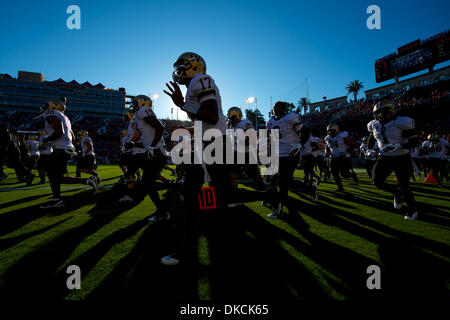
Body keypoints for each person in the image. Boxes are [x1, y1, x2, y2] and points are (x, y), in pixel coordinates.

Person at [39, 99, 99, 209]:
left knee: (54, 177)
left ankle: (57, 200)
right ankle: (86, 181)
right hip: (63, 148)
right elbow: (69, 135)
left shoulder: (52, 114)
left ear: (54, 107)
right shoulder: (64, 117)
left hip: (60, 149)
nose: (45, 107)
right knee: (56, 177)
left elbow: (59, 132)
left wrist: (45, 141)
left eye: (48, 106)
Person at [367, 100, 419, 220]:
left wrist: (399, 146)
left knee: (404, 185)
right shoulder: (374, 124)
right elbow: (371, 137)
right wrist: (368, 149)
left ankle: (413, 210)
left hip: (401, 157)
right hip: (384, 157)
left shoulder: (400, 122)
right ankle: (396, 192)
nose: (379, 115)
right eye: (377, 113)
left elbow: (415, 142)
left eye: (381, 112)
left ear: (390, 111)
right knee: (377, 181)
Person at [266, 101, 318, 219]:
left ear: (284, 109)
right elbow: (271, 139)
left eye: (280, 106)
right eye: (275, 106)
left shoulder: (290, 118)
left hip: (290, 154)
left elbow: (306, 131)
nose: (276, 108)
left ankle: (279, 208)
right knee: (278, 180)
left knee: (282, 181)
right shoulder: (270, 122)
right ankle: (310, 189)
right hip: (277, 155)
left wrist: (300, 144)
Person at [130, 94, 169, 220]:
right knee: (147, 183)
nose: (133, 105)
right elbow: (146, 138)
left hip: (157, 152)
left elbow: (160, 127)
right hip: (153, 151)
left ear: (142, 103)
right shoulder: (139, 116)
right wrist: (132, 144)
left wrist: (152, 147)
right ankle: (162, 210)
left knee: (148, 183)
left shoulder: (143, 111)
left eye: (135, 103)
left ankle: (163, 211)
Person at [324, 124, 359, 192]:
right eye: (328, 131)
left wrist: (348, 151)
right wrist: (327, 152)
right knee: (334, 173)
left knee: (344, 174)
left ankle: (352, 175)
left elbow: (352, 143)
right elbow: (328, 147)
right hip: (334, 157)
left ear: (336, 130)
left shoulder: (342, 135)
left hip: (343, 157)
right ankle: (340, 187)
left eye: (331, 131)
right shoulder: (327, 138)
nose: (329, 132)